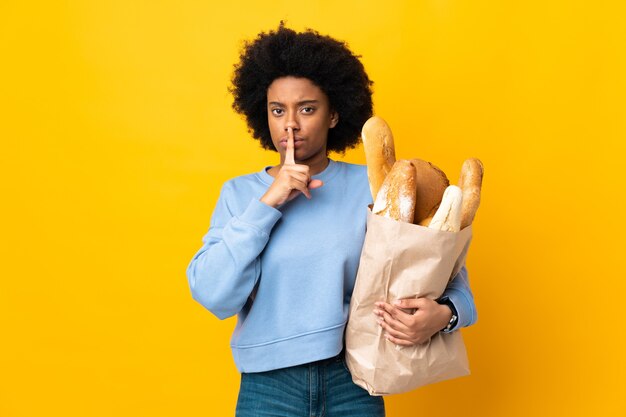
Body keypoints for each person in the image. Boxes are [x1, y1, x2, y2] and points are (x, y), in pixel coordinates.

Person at [186, 22, 477, 417]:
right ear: (263, 114)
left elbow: (449, 274)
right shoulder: (239, 194)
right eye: (277, 110)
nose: (290, 124)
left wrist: (445, 315)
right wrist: (268, 203)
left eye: (307, 108)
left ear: (334, 114)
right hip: (267, 388)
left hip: (354, 380)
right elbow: (213, 294)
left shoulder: (372, 187)